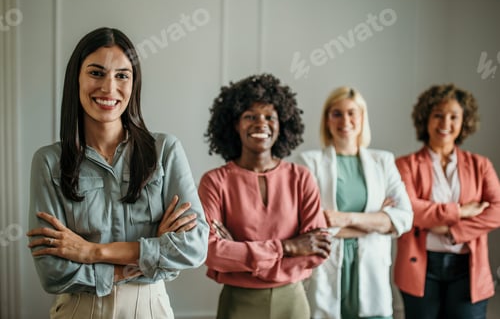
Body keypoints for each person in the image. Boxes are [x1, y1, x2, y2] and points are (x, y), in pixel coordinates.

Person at [26, 27, 209, 319]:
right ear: (76, 79)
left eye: (122, 75)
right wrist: (151, 254)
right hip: (78, 310)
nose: (109, 88)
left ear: (133, 84)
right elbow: (53, 273)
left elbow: (194, 247)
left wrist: (91, 252)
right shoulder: (49, 162)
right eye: (96, 73)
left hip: (150, 308)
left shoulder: (165, 151)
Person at [198, 73, 332, 319]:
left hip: (292, 302)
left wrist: (239, 253)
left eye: (270, 117)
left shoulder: (302, 178)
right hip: (238, 302)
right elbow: (212, 252)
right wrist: (288, 247)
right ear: (235, 124)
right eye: (250, 117)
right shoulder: (214, 182)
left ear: (282, 125)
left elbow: (318, 249)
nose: (261, 123)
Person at [297, 86, 413, 319]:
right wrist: (376, 221)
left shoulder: (383, 161)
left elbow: (404, 217)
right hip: (326, 268)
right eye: (336, 113)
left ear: (362, 118)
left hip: (372, 273)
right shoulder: (309, 162)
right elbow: (307, 224)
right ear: (327, 120)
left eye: (352, 113)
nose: (345, 120)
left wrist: (346, 218)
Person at [394, 84, 500, 319]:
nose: (445, 123)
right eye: (438, 115)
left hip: (468, 268)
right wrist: (461, 211)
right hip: (420, 267)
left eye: (454, 117)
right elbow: (408, 209)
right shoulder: (405, 165)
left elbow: (497, 210)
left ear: (465, 122)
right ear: (425, 119)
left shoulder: (480, 165)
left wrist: (454, 232)